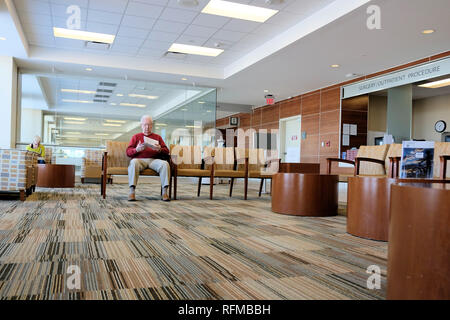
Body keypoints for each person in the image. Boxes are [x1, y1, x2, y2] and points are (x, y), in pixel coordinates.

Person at [126, 115, 170, 201]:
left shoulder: (158, 137)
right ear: (141, 125)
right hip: (140, 160)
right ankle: (132, 192)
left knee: (165, 164)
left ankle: (165, 192)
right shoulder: (136, 137)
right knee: (134, 162)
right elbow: (128, 152)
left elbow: (166, 151)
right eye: (145, 124)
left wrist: (160, 149)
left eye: (149, 125)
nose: (147, 127)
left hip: (154, 160)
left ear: (152, 125)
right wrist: (136, 149)